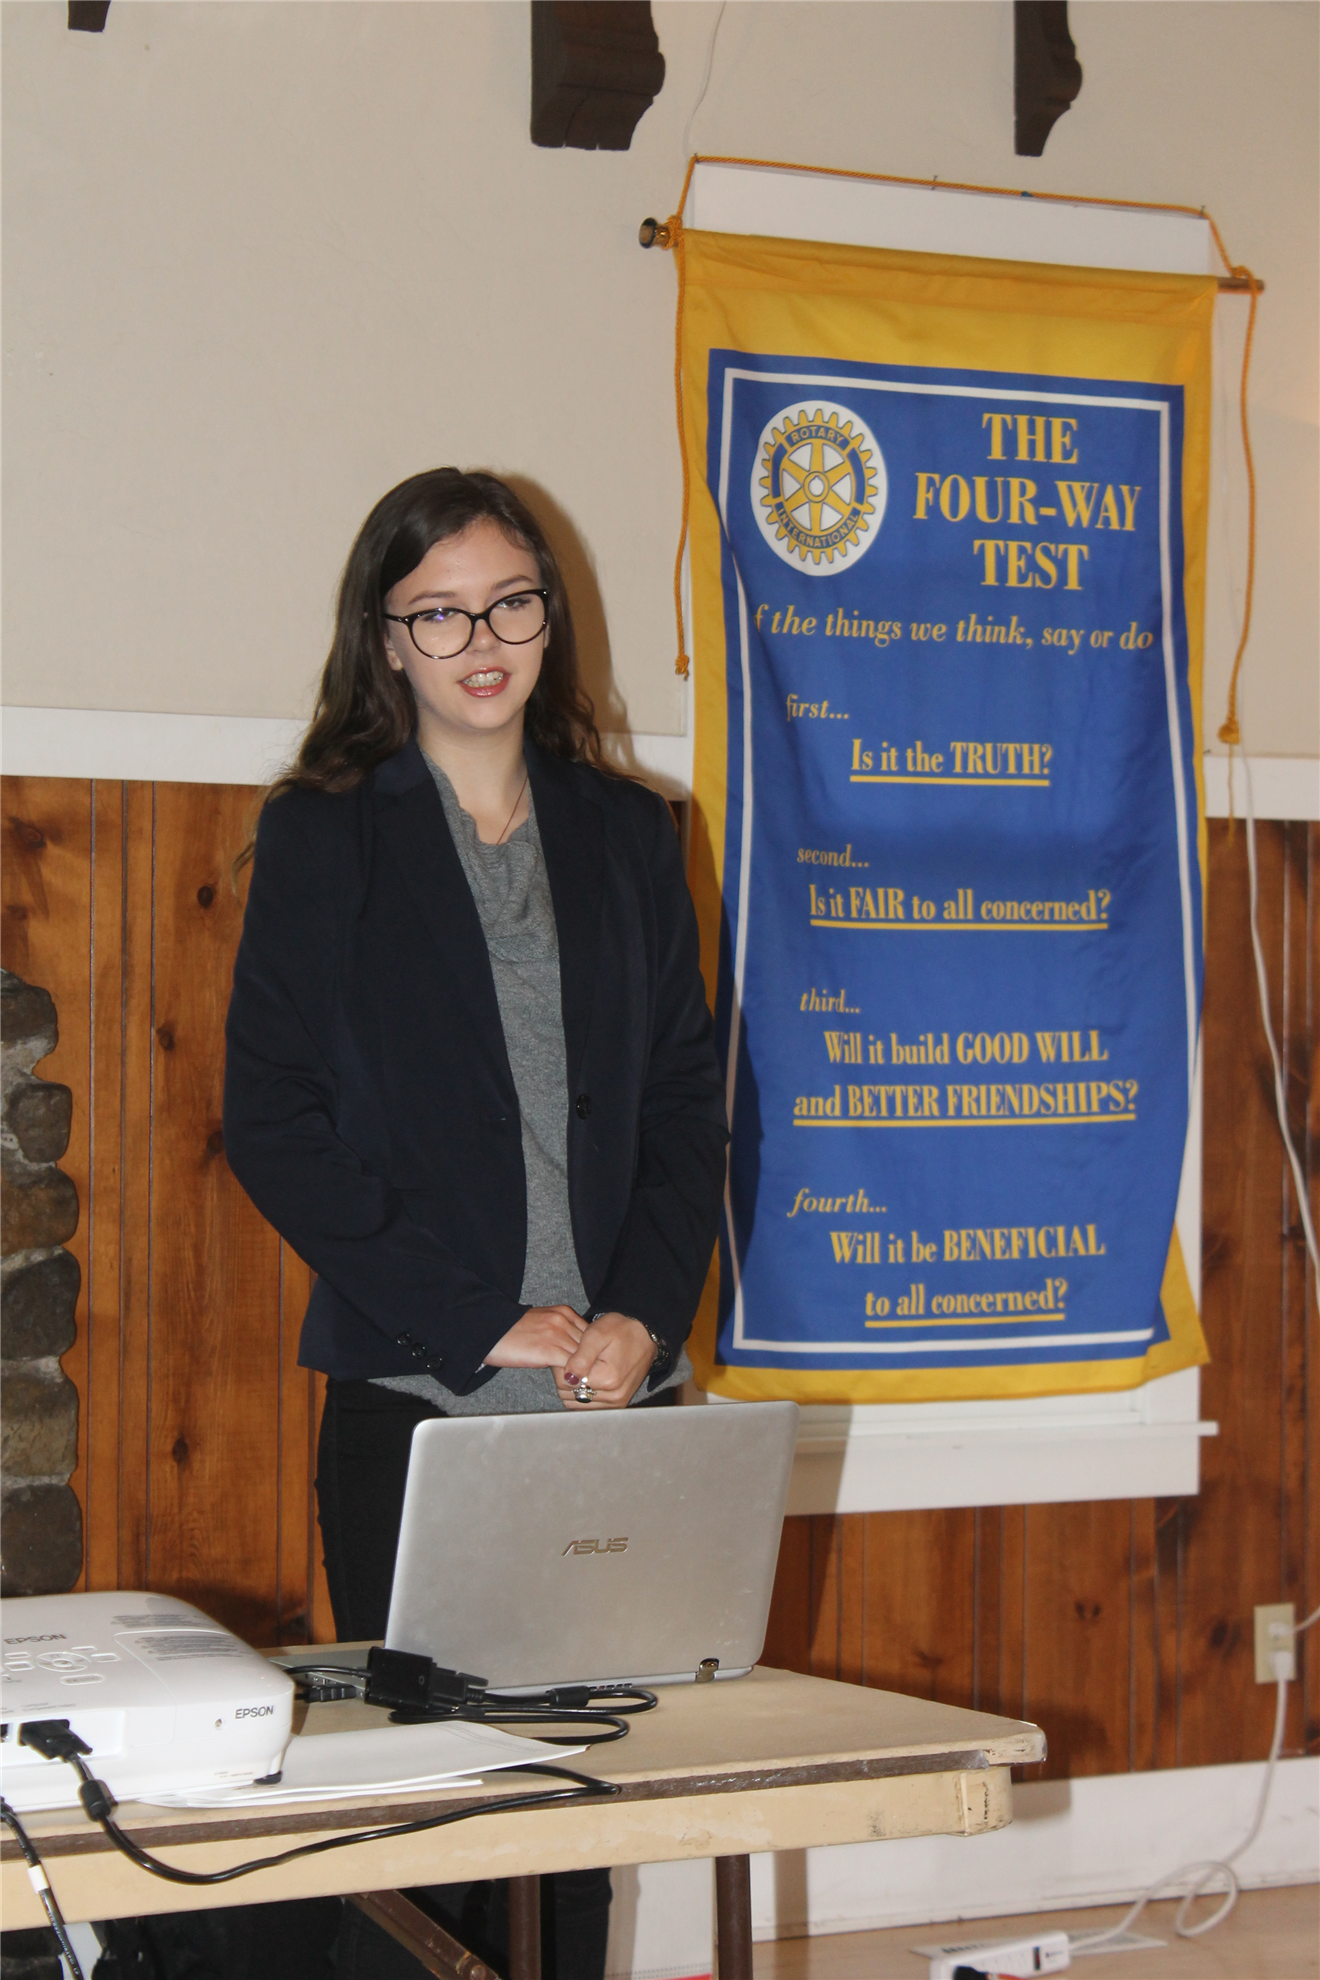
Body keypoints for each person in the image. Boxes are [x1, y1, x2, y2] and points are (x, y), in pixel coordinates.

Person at [223, 468, 728, 1980]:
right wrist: (473, 1319)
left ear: (549, 618)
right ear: (386, 639)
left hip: (612, 1400)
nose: (481, 640)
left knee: (583, 1807)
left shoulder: (633, 831)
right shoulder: (325, 836)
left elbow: (688, 1106)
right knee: (435, 1824)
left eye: (510, 603)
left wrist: (643, 1312)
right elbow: (274, 1122)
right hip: (421, 1396)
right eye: (438, 613)